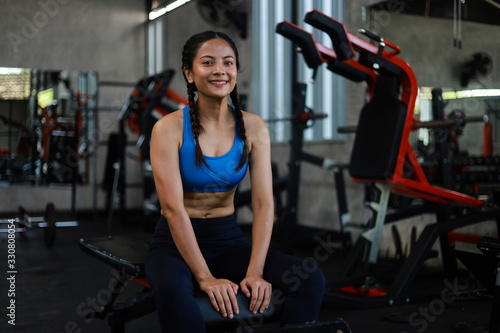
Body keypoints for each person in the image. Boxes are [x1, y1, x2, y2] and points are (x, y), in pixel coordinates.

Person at [145, 30, 325, 333]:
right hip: (174, 244)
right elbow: (173, 209)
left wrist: (254, 271)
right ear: (189, 73)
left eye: (228, 63)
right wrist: (205, 278)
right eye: (207, 62)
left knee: (310, 279)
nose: (220, 70)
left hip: (227, 241)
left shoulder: (253, 126)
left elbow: (264, 203)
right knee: (175, 291)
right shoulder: (168, 128)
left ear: (236, 72)